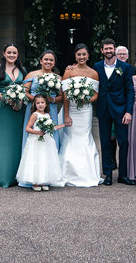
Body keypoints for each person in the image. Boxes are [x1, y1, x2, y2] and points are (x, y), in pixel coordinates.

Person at [94, 38, 135, 185]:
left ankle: (123, 175)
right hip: (103, 109)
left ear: (115, 49)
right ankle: (108, 174)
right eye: (106, 49)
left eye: (111, 48)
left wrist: (129, 111)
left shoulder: (126, 67)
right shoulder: (96, 67)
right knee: (105, 142)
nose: (108, 51)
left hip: (121, 109)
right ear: (102, 51)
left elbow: (130, 90)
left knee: (123, 142)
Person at [59, 43, 101, 187]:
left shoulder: (93, 73)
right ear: (75, 56)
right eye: (79, 54)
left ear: (88, 56)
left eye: (84, 54)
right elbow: (64, 95)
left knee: (85, 137)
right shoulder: (69, 72)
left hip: (85, 110)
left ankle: (87, 173)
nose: (82, 57)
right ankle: (68, 173)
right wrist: (66, 114)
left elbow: (96, 95)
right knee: (70, 138)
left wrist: (86, 99)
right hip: (71, 110)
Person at [0, 43, 26, 187]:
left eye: (14, 53)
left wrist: (20, 100)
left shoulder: (22, 69)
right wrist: (6, 99)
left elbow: (24, 87)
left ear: (18, 55)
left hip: (18, 109)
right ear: (4, 54)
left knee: (16, 141)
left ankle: (15, 176)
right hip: (3, 108)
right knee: (2, 141)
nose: (12, 55)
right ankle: (1, 177)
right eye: (9, 52)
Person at [16, 94, 65, 191]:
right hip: (36, 141)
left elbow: (51, 128)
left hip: (46, 141)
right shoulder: (34, 115)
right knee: (36, 159)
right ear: (35, 104)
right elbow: (27, 128)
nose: (40, 105)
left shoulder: (47, 115)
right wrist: (38, 132)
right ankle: (35, 183)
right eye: (38, 103)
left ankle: (42, 181)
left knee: (44, 159)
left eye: (42, 102)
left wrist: (63, 125)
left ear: (46, 104)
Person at [23, 50, 63, 151]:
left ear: (54, 63)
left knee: (50, 133)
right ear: (40, 61)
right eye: (46, 59)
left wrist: (52, 99)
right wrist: (37, 100)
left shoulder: (58, 77)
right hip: (33, 109)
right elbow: (24, 92)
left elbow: (61, 97)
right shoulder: (32, 74)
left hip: (50, 110)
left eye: (51, 60)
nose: (48, 62)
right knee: (32, 131)